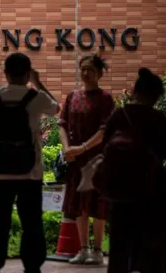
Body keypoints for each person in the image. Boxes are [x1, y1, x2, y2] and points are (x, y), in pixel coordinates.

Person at [0, 53, 61, 273]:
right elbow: (57, 109)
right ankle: (32, 265)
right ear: (27, 74)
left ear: (5, 73)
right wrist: (38, 82)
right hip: (30, 173)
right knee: (31, 223)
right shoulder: (36, 97)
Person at [103, 68, 166, 273]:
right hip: (151, 190)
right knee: (151, 245)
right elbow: (165, 152)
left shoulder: (118, 115)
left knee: (119, 245)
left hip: (120, 190)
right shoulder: (157, 118)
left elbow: (105, 147)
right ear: (155, 96)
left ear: (134, 91)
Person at [59, 54, 115, 265]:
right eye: (82, 69)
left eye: (90, 69)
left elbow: (104, 129)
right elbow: (62, 124)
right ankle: (83, 249)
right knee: (79, 206)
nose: (85, 73)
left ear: (100, 73)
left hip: (96, 161)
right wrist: (67, 149)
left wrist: (82, 148)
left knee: (97, 205)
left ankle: (98, 251)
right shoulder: (72, 96)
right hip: (75, 161)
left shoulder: (106, 99)